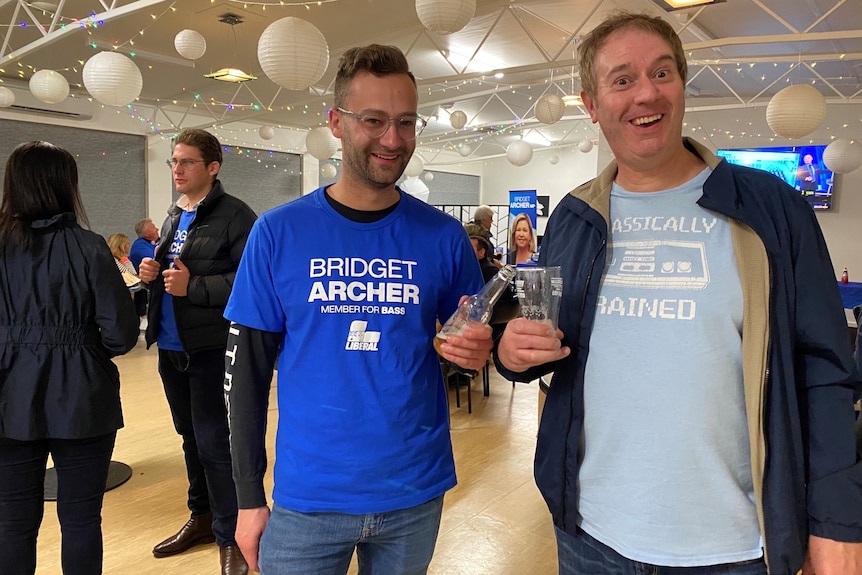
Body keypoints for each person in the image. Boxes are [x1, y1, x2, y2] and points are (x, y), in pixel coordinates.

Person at [495, 11, 862, 575]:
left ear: (681, 85)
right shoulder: (574, 216)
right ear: (592, 106)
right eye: (622, 79)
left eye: (662, 73)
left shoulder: (772, 209)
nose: (647, 93)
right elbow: (537, 334)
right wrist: (510, 356)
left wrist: (836, 523)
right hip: (590, 537)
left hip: (736, 546)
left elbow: (825, 370)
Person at [222, 44, 492, 575]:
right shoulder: (277, 233)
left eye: (406, 122)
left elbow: (469, 346)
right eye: (374, 120)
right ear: (337, 124)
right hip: (308, 497)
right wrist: (249, 497)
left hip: (414, 489)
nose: (393, 140)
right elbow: (244, 377)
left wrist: (478, 351)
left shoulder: (443, 237)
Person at [0, 141, 139, 575]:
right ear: (66, 186)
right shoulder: (90, 247)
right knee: (81, 521)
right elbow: (120, 335)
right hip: (83, 397)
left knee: (11, 524)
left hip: (8, 397)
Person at [139, 128, 256, 575]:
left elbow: (251, 284)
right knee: (189, 440)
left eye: (187, 162)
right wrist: (152, 272)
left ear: (212, 168)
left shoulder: (236, 215)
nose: (177, 170)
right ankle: (202, 518)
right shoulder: (175, 215)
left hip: (210, 349)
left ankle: (231, 535)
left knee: (214, 445)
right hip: (171, 349)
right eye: (173, 161)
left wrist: (196, 287)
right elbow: (176, 271)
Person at [129, 219, 159, 320]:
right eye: (154, 227)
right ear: (146, 234)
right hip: (143, 289)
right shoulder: (140, 246)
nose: (157, 229)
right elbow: (157, 262)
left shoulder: (149, 244)